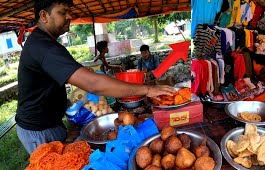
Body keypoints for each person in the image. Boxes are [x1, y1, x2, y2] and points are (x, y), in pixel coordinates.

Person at [16, 0, 175, 154]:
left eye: (68, 12)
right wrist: (146, 89)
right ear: (44, 16)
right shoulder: (44, 47)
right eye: (63, 12)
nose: (69, 16)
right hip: (38, 128)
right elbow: (93, 84)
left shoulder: (45, 43)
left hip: (51, 123)